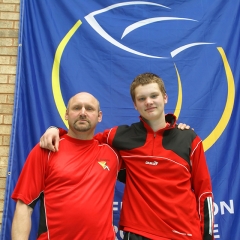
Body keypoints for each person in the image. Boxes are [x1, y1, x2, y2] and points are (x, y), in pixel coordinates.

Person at [40, 73, 214, 240]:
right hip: (138, 232)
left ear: (165, 98)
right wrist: (57, 130)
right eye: (142, 98)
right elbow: (83, 138)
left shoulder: (189, 138)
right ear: (135, 105)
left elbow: (204, 194)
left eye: (154, 96)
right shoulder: (120, 135)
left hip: (184, 233)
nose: (149, 102)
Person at [11, 92, 120, 239]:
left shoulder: (113, 154)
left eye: (89, 108)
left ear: (99, 116)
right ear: (67, 114)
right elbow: (24, 206)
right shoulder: (47, 150)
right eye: (76, 108)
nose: (83, 113)